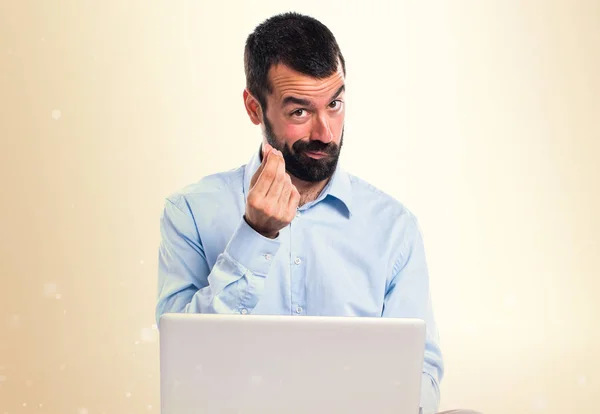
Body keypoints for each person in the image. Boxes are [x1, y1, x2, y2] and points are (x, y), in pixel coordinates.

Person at [156, 12, 481, 414]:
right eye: (300, 112)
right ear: (255, 109)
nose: (325, 133)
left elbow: (422, 372)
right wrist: (254, 236)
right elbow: (185, 370)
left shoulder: (394, 227)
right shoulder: (190, 213)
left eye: (335, 104)